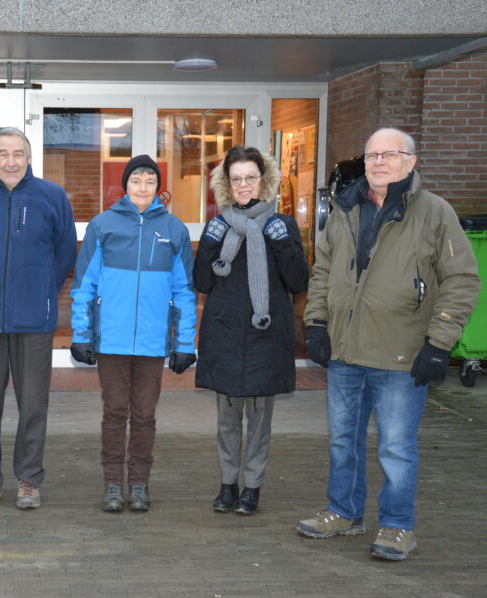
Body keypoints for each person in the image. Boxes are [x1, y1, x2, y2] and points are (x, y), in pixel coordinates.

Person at [296, 128, 480, 560]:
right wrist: (318, 323)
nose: (378, 162)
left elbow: (462, 279)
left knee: (396, 448)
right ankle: (344, 511)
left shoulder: (435, 212)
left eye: (390, 154)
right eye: (371, 154)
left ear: (411, 162)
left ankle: (398, 526)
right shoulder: (344, 208)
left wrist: (439, 344)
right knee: (343, 440)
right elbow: (323, 272)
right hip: (344, 351)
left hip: (402, 355)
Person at [0, 127, 77, 510]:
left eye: (18, 153)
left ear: (28, 157)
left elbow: (64, 253)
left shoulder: (52, 197)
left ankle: (28, 480)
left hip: (34, 321)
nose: (11, 160)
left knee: (34, 404)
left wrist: (42, 290)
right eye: (3, 153)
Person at [70, 155, 197, 513]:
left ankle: (139, 485)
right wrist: (82, 333)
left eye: (149, 181)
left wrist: (185, 342)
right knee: (114, 412)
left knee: (144, 415)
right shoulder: (102, 226)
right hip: (111, 340)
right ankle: (113, 484)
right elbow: (84, 284)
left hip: (153, 344)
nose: (143, 187)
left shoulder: (174, 231)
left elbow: (184, 291)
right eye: (136, 180)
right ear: (125, 185)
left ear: (159, 187)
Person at [194, 146, 309, 516]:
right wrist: (210, 243)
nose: (244, 185)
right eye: (236, 179)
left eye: (251, 178)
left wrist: (281, 243)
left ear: (265, 181)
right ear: (226, 184)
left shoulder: (283, 224)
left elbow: (296, 280)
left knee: (259, 422)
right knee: (227, 420)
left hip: (265, 336)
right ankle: (228, 485)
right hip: (226, 335)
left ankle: (253, 488)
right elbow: (202, 281)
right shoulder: (219, 225)